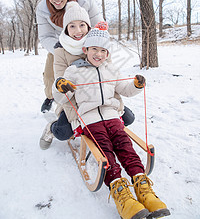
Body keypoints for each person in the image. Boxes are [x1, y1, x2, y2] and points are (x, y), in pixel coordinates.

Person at [52, 27, 170, 219]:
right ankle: (120, 193)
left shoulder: (111, 69)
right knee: (105, 152)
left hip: (112, 116)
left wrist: (136, 86)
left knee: (125, 146)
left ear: (108, 53)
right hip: (90, 119)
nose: (99, 54)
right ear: (86, 50)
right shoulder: (74, 70)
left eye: (103, 51)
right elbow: (61, 97)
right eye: (94, 49)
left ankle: (142, 187)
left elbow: (123, 88)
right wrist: (61, 86)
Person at [39, 2, 135, 150]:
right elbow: (60, 81)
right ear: (66, 29)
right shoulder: (60, 50)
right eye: (72, 26)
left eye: (82, 25)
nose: (78, 31)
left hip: (101, 99)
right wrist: (62, 87)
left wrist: (114, 107)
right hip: (76, 102)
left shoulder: (98, 42)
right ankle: (51, 129)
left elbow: (109, 74)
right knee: (64, 132)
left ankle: (106, 131)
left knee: (128, 117)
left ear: (88, 26)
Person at [36, 0, 104, 113]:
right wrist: (58, 48)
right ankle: (50, 97)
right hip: (58, 46)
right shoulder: (42, 10)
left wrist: (89, 46)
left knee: (93, 73)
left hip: (85, 44)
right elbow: (45, 36)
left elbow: (98, 27)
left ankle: (100, 100)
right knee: (50, 76)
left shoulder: (86, 1)